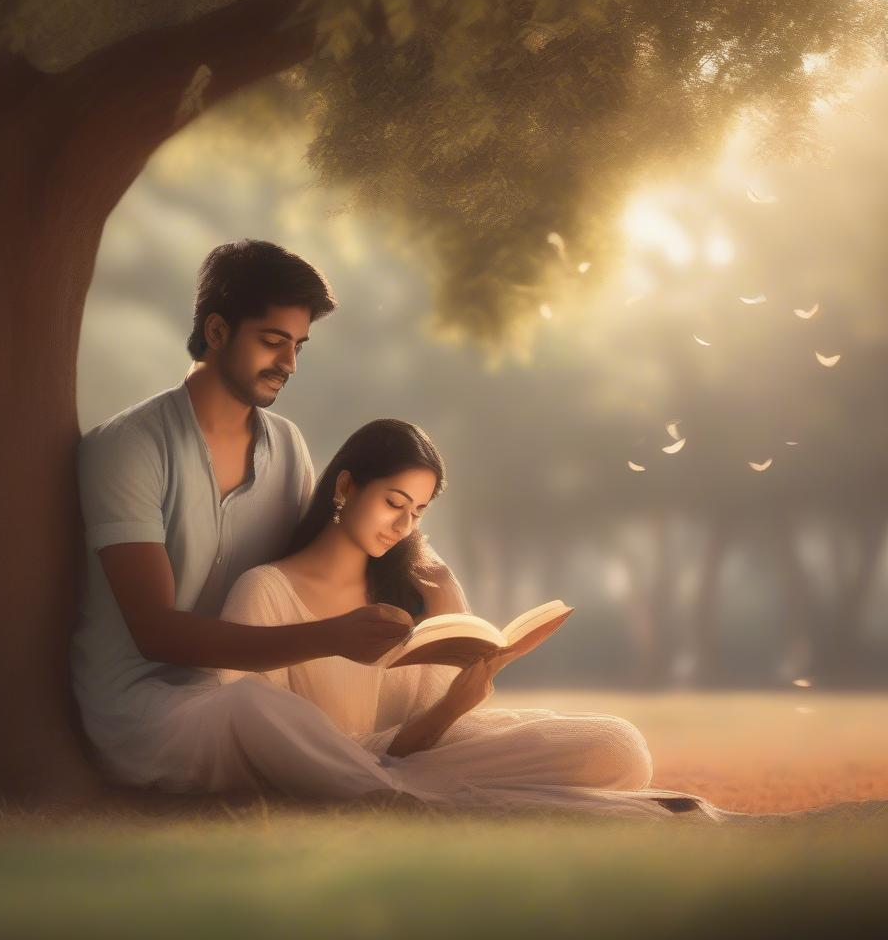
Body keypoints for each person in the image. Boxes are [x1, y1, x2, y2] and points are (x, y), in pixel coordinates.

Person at [212, 419, 754, 821]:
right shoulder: (266, 591)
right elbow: (259, 742)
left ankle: (422, 793)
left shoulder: (417, 585)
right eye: (393, 502)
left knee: (619, 745)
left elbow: (430, 731)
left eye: (418, 513)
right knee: (381, 777)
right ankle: (409, 798)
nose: (403, 526)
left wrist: (450, 611)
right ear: (347, 487)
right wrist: (423, 728)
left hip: (423, 759)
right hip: (335, 771)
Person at [70, 240, 418, 787]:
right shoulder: (129, 445)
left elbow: (305, 571)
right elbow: (155, 634)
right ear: (216, 332)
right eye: (274, 342)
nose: (290, 364)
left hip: (256, 689)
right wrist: (330, 637)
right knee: (254, 708)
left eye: (299, 346)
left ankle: (398, 769)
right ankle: (394, 796)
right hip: (149, 710)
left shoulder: (288, 445)